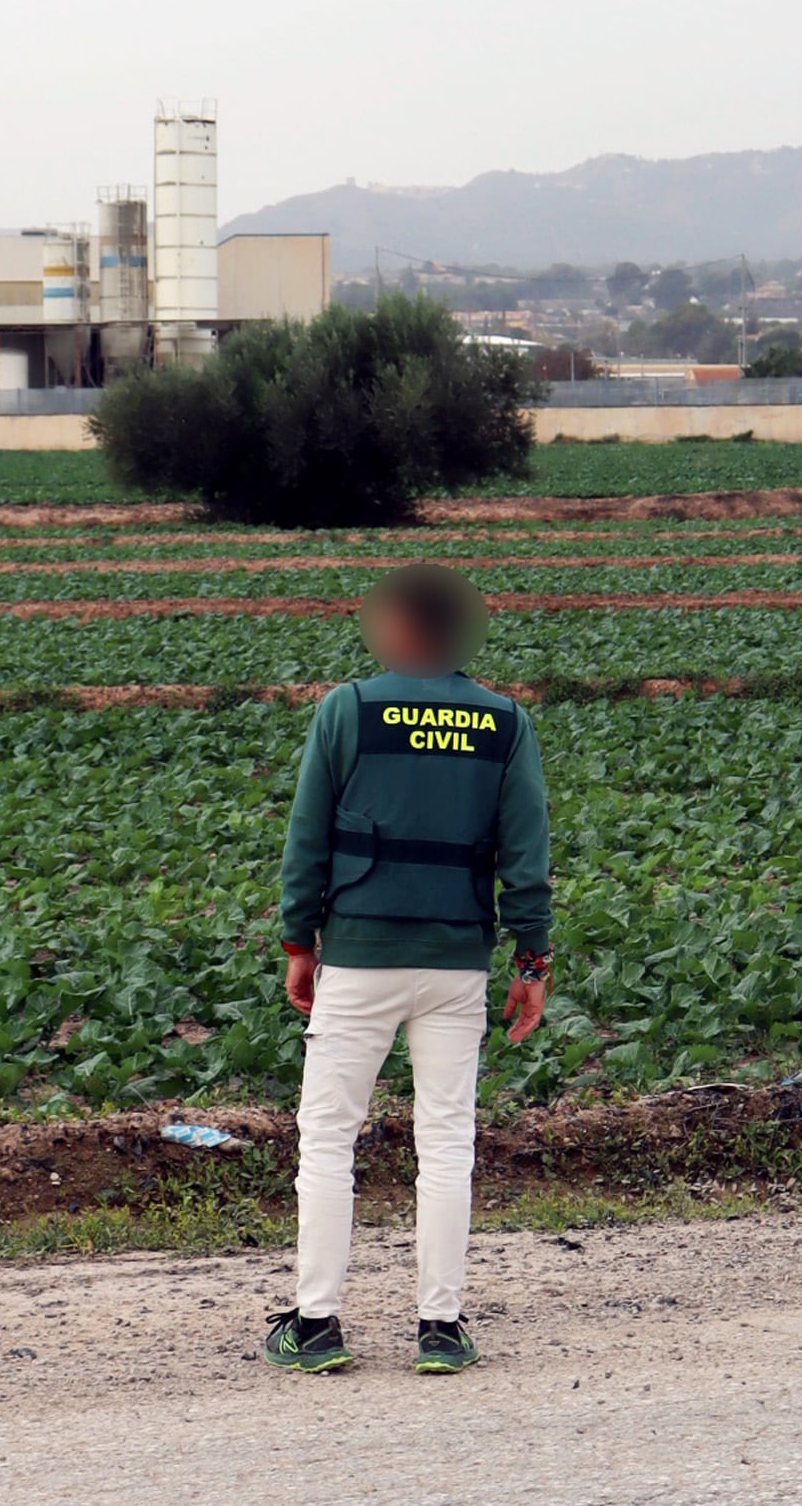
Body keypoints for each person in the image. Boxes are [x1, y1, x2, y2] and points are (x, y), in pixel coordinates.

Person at [262, 564, 553, 1376]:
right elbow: (527, 854)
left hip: (358, 955)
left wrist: (299, 944)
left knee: (326, 1137)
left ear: (392, 627)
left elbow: (306, 840)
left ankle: (316, 1326)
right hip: (457, 962)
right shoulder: (504, 722)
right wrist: (532, 958)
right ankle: (441, 1327)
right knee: (447, 1140)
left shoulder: (347, 709)